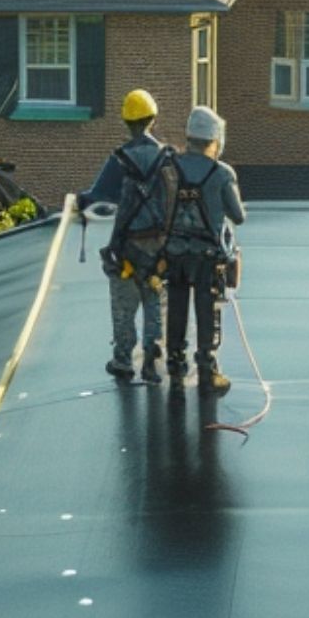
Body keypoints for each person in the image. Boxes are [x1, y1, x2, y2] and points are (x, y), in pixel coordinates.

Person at [84, 89, 170, 383]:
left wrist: (79, 200)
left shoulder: (119, 160)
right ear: (153, 119)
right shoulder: (167, 158)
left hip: (127, 248)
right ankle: (152, 358)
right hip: (160, 247)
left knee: (124, 304)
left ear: (126, 122)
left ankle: (122, 359)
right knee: (156, 302)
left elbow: (96, 198)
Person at [161, 105, 246, 393]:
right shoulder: (221, 173)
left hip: (174, 252)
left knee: (176, 306)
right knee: (206, 309)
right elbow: (238, 216)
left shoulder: (169, 168)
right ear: (214, 139)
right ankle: (207, 368)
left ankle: (175, 362)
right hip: (207, 254)